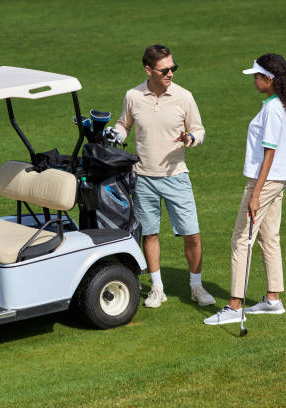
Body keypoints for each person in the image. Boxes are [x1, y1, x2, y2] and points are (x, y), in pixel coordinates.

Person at [204, 53, 286, 325]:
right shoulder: (284, 103)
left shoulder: (274, 109)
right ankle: (273, 299)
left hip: (266, 181)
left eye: (257, 77)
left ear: (268, 79)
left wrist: (256, 193)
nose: (254, 81)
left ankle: (235, 305)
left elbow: (269, 153)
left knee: (241, 239)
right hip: (280, 179)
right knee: (269, 237)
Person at [113, 44, 215, 308]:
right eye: (165, 69)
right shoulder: (133, 96)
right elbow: (124, 124)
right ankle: (157, 288)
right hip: (143, 177)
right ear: (149, 70)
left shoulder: (184, 97)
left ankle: (196, 286)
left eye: (173, 68)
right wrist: (117, 135)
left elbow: (199, 130)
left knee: (192, 234)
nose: (171, 73)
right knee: (150, 234)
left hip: (176, 176)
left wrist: (191, 137)